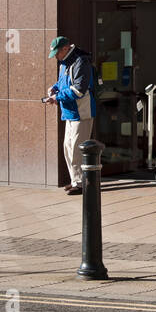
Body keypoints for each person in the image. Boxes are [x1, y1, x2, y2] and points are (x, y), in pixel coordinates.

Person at [45, 36, 98, 195]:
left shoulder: (80, 61)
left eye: (56, 53)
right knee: (68, 148)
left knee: (77, 149)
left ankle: (81, 184)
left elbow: (78, 90)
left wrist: (57, 97)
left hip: (82, 112)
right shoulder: (65, 61)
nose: (55, 57)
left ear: (65, 49)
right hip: (70, 111)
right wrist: (54, 88)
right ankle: (75, 181)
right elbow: (63, 82)